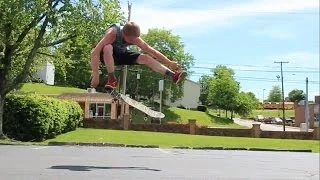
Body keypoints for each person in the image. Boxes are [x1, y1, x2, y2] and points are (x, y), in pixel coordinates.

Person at [90, 21, 187, 89]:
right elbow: (94, 53)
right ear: (124, 34)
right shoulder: (112, 34)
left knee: (146, 58)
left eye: (135, 39)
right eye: (131, 40)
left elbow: (152, 51)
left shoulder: (135, 38)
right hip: (106, 56)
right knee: (108, 48)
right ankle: (112, 79)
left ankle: (173, 75)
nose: (134, 42)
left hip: (120, 54)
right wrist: (95, 74)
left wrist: (169, 62)